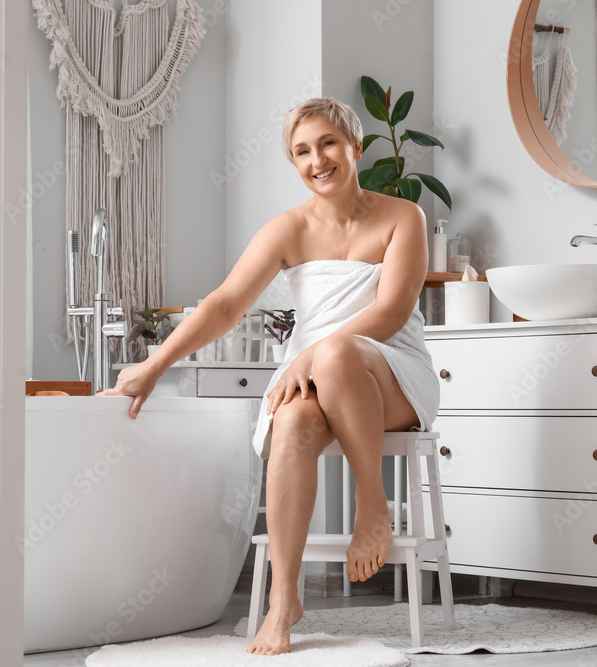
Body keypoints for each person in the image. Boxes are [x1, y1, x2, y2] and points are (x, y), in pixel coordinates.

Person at [99, 97, 439, 655]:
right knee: (291, 422)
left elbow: (393, 311)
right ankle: (285, 597)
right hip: (314, 370)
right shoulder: (287, 229)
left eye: (328, 144)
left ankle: (371, 502)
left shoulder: (403, 216)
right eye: (301, 152)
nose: (317, 160)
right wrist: (154, 365)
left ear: (355, 147)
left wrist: (312, 355)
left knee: (333, 357)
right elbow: (226, 303)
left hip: (390, 371)